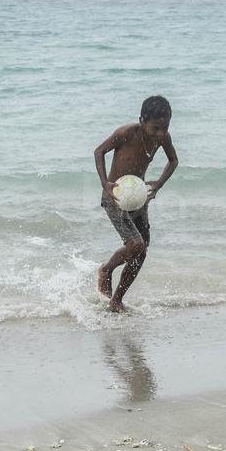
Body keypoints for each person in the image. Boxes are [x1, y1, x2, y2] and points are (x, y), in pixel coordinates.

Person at [93, 95, 178, 312]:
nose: (160, 133)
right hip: (116, 198)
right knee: (135, 245)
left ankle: (116, 300)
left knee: (142, 252)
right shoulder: (126, 133)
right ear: (142, 121)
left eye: (165, 127)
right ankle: (106, 269)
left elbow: (173, 160)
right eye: (155, 128)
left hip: (139, 199)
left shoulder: (163, 138)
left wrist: (158, 184)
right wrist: (105, 183)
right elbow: (99, 151)